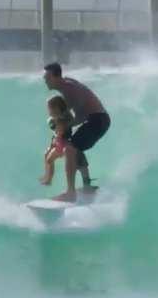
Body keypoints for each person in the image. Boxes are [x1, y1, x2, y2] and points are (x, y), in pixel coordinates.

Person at [43, 62, 110, 202]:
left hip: (97, 120)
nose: (45, 80)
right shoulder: (66, 85)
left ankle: (70, 193)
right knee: (73, 147)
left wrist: (64, 126)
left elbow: (81, 115)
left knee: (70, 149)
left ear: (56, 77)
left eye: (47, 77)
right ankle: (87, 186)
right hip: (95, 120)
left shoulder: (69, 89)